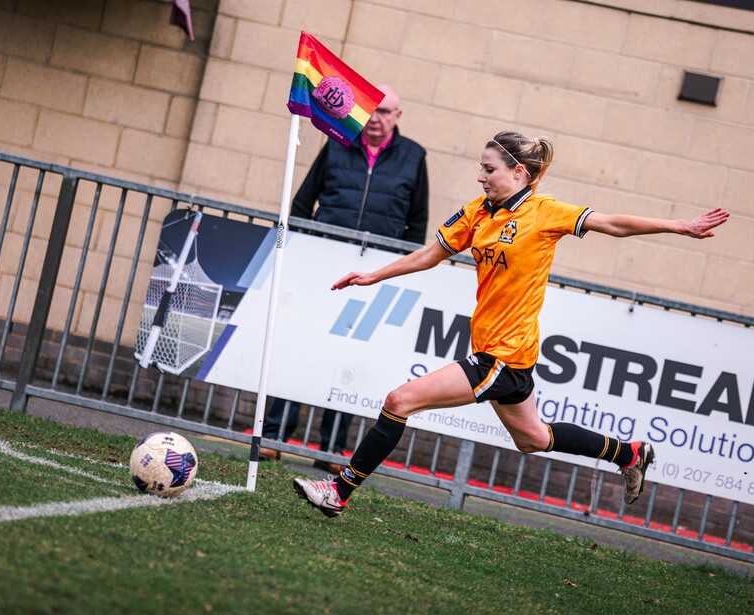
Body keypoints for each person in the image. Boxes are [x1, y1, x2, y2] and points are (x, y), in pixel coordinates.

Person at [293, 130, 729, 517]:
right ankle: (629, 453)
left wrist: (679, 226)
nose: (481, 177)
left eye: (489, 169)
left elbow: (611, 223)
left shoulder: (545, 212)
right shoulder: (478, 213)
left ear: (519, 172)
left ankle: (339, 491)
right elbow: (430, 255)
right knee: (534, 439)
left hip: (505, 353)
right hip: (497, 351)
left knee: (400, 399)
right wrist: (373, 275)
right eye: (480, 169)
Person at [262, 85, 430, 473]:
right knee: (303, 349)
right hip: (322, 270)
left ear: (398, 117)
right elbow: (304, 201)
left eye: (386, 112)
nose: (376, 119)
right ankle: (273, 436)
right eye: (372, 110)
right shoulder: (337, 141)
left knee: (348, 360)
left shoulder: (414, 156)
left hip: (373, 279)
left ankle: (332, 449)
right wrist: (303, 251)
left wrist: (397, 272)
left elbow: (416, 222)